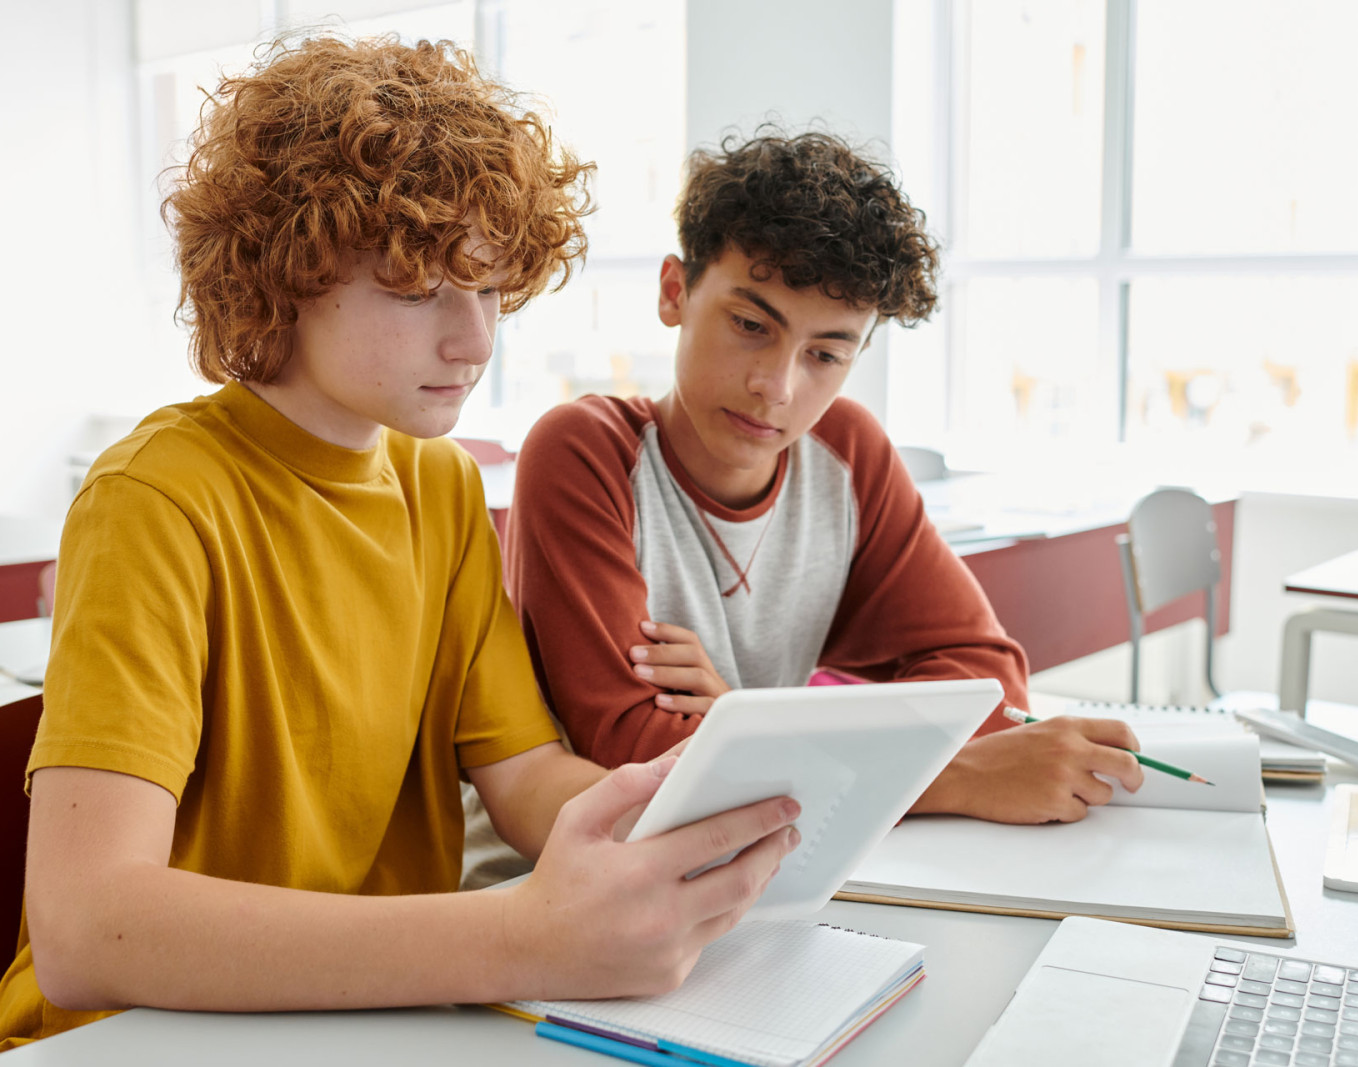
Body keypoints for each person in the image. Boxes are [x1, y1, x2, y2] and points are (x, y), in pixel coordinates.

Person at [0, 37, 801, 1051]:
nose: (473, 341)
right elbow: (85, 930)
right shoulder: (155, 497)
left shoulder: (442, 484)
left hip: (372, 1020)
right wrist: (517, 934)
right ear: (280, 275)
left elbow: (524, 778)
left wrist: (701, 812)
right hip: (136, 1033)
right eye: (420, 289)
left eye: (492, 290)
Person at [504, 130, 1145, 825]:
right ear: (674, 292)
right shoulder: (583, 454)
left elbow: (985, 683)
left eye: (826, 355)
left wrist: (745, 718)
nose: (776, 386)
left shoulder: (847, 451)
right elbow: (634, 755)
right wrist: (953, 777)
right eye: (751, 323)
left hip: (773, 860)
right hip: (567, 877)